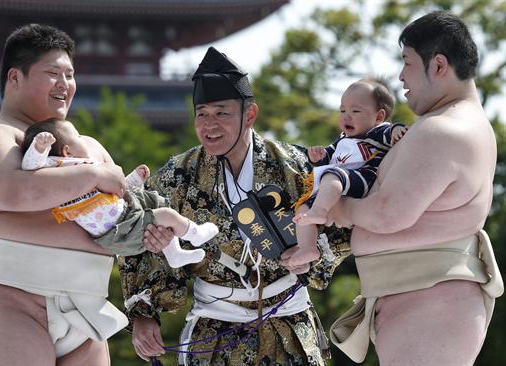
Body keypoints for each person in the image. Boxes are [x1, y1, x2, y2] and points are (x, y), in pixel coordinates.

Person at [118, 46, 351, 366]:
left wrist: (311, 258)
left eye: (221, 113)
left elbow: (341, 224)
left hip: (290, 326)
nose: (209, 125)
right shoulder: (178, 175)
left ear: (250, 114)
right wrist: (144, 313)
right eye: (202, 114)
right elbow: (140, 236)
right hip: (214, 330)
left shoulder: (295, 166)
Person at [327, 11, 504, 366]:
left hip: (432, 303)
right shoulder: (456, 124)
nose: (400, 76)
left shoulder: (445, 131)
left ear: (438, 66)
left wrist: (337, 208)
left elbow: (388, 213)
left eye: (407, 62)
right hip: (423, 298)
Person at [0, 24, 128, 366]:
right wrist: (94, 173)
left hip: (87, 306)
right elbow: (15, 194)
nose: (65, 84)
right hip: (10, 301)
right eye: (53, 73)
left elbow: (129, 213)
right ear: (15, 78)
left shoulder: (89, 144)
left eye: (70, 74)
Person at [21, 118, 218, 267]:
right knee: (166, 216)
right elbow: (30, 167)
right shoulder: (57, 167)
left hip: (123, 213)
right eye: (78, 137)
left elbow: (113, 191)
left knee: (158, 202)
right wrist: (39, 147)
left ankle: (174, 253)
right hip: (117, 232)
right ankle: (195, 234)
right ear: (67, 151)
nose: (84, 139)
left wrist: (132, 180)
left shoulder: (85, 164)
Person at [290, 78, 407, 266]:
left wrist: (398, 130)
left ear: (378, 117)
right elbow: (329, 155)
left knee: (332, 175)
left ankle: (320, 210)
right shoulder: (343, 139)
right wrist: (318, 156)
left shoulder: (376, 133)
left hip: (362, 178)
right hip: (338, 182)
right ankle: (307, 247)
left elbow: (392, 131)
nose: (346, 116)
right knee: (303, 206)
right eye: (343, 110)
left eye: (355, 111)